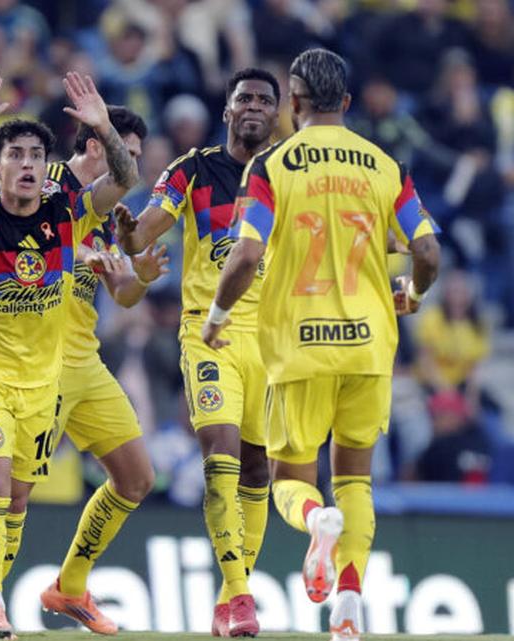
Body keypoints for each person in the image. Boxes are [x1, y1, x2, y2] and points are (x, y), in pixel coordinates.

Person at [202, 49, 441, 641]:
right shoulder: (386, 166)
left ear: (295, 102)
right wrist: (411, 291)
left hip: (299, 345)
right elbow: (428, 251)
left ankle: (316, 521)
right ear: (349, 104)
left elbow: (248, 253)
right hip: (368, 345)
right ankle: (349, 608)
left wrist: (217, 313)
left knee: (289, 479)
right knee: (356, 477)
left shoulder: (272, 165)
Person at [0, 69, 138, 640]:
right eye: (15, 154)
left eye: (37, 154)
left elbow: (126, 177)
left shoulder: (68, 214)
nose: (28, 163)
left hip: (44, 385)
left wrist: (105, 128)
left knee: (13, 501)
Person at [0, 106, 164, 635]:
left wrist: (140, 274)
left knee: (136, 479)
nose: (128, 163)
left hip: (83, 360)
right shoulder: (46, 188)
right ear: (95, 146)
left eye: (133, 155)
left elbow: (124, 295)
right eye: (125, 152)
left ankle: (70, 587)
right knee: (8, 493)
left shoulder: (104, 210)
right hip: (36, 361)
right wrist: (79, 255)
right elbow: (16, 255)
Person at [117, 67, 281, 637]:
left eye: (265, 99)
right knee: (220, 455)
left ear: (277, 114)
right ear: (228, 112)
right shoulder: (192, 168)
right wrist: (128, 233)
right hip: (209, 331)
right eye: (244, 98)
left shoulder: (288, 175)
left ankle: (232, 596)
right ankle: (239, 596)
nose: (254, 106)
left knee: (259, 467)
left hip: (274, 339)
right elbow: (142, 233)